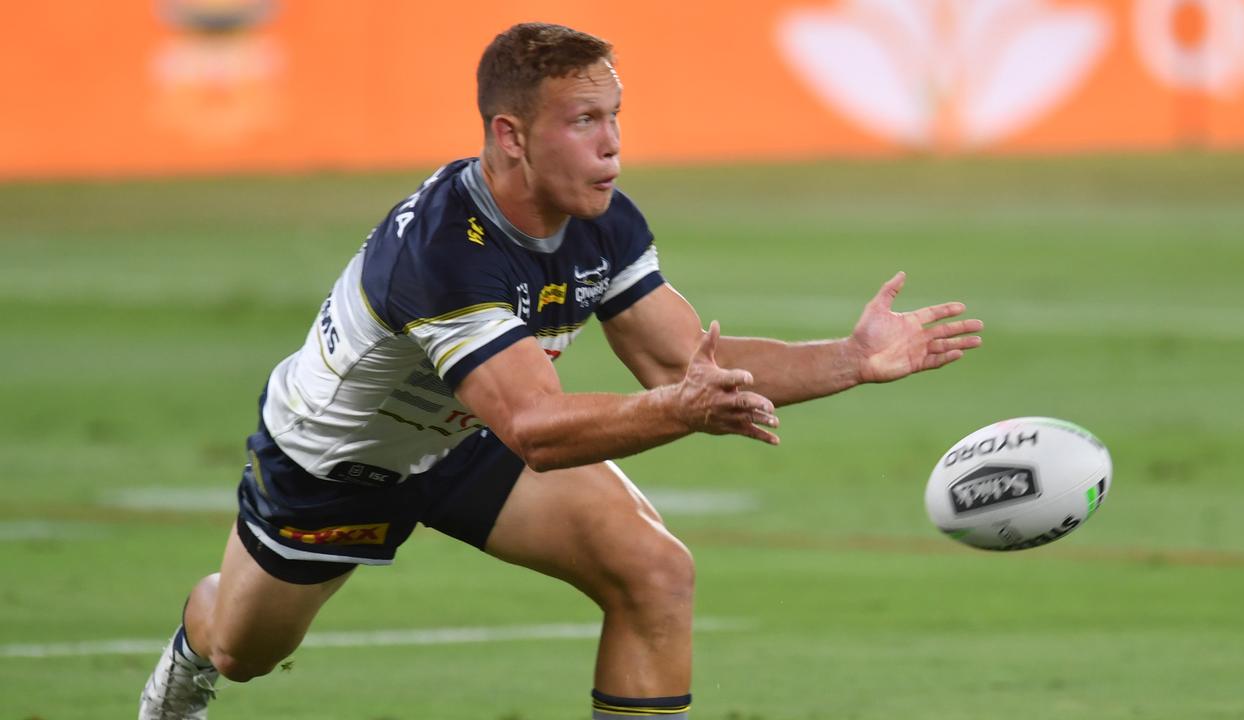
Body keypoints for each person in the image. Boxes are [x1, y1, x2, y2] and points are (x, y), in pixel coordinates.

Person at [138, 21, 983, 720]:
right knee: (242, 651)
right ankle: (188, 656)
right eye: (584, 121)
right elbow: (540, 433)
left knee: (654, 572)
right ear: (511, 135)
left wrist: (852, 359)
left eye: (615, 115)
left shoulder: (602, 220)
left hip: (468, 435)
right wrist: (683, 409)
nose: (613, 144)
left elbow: (680, 363)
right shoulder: (441, 251)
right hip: (339, 464)